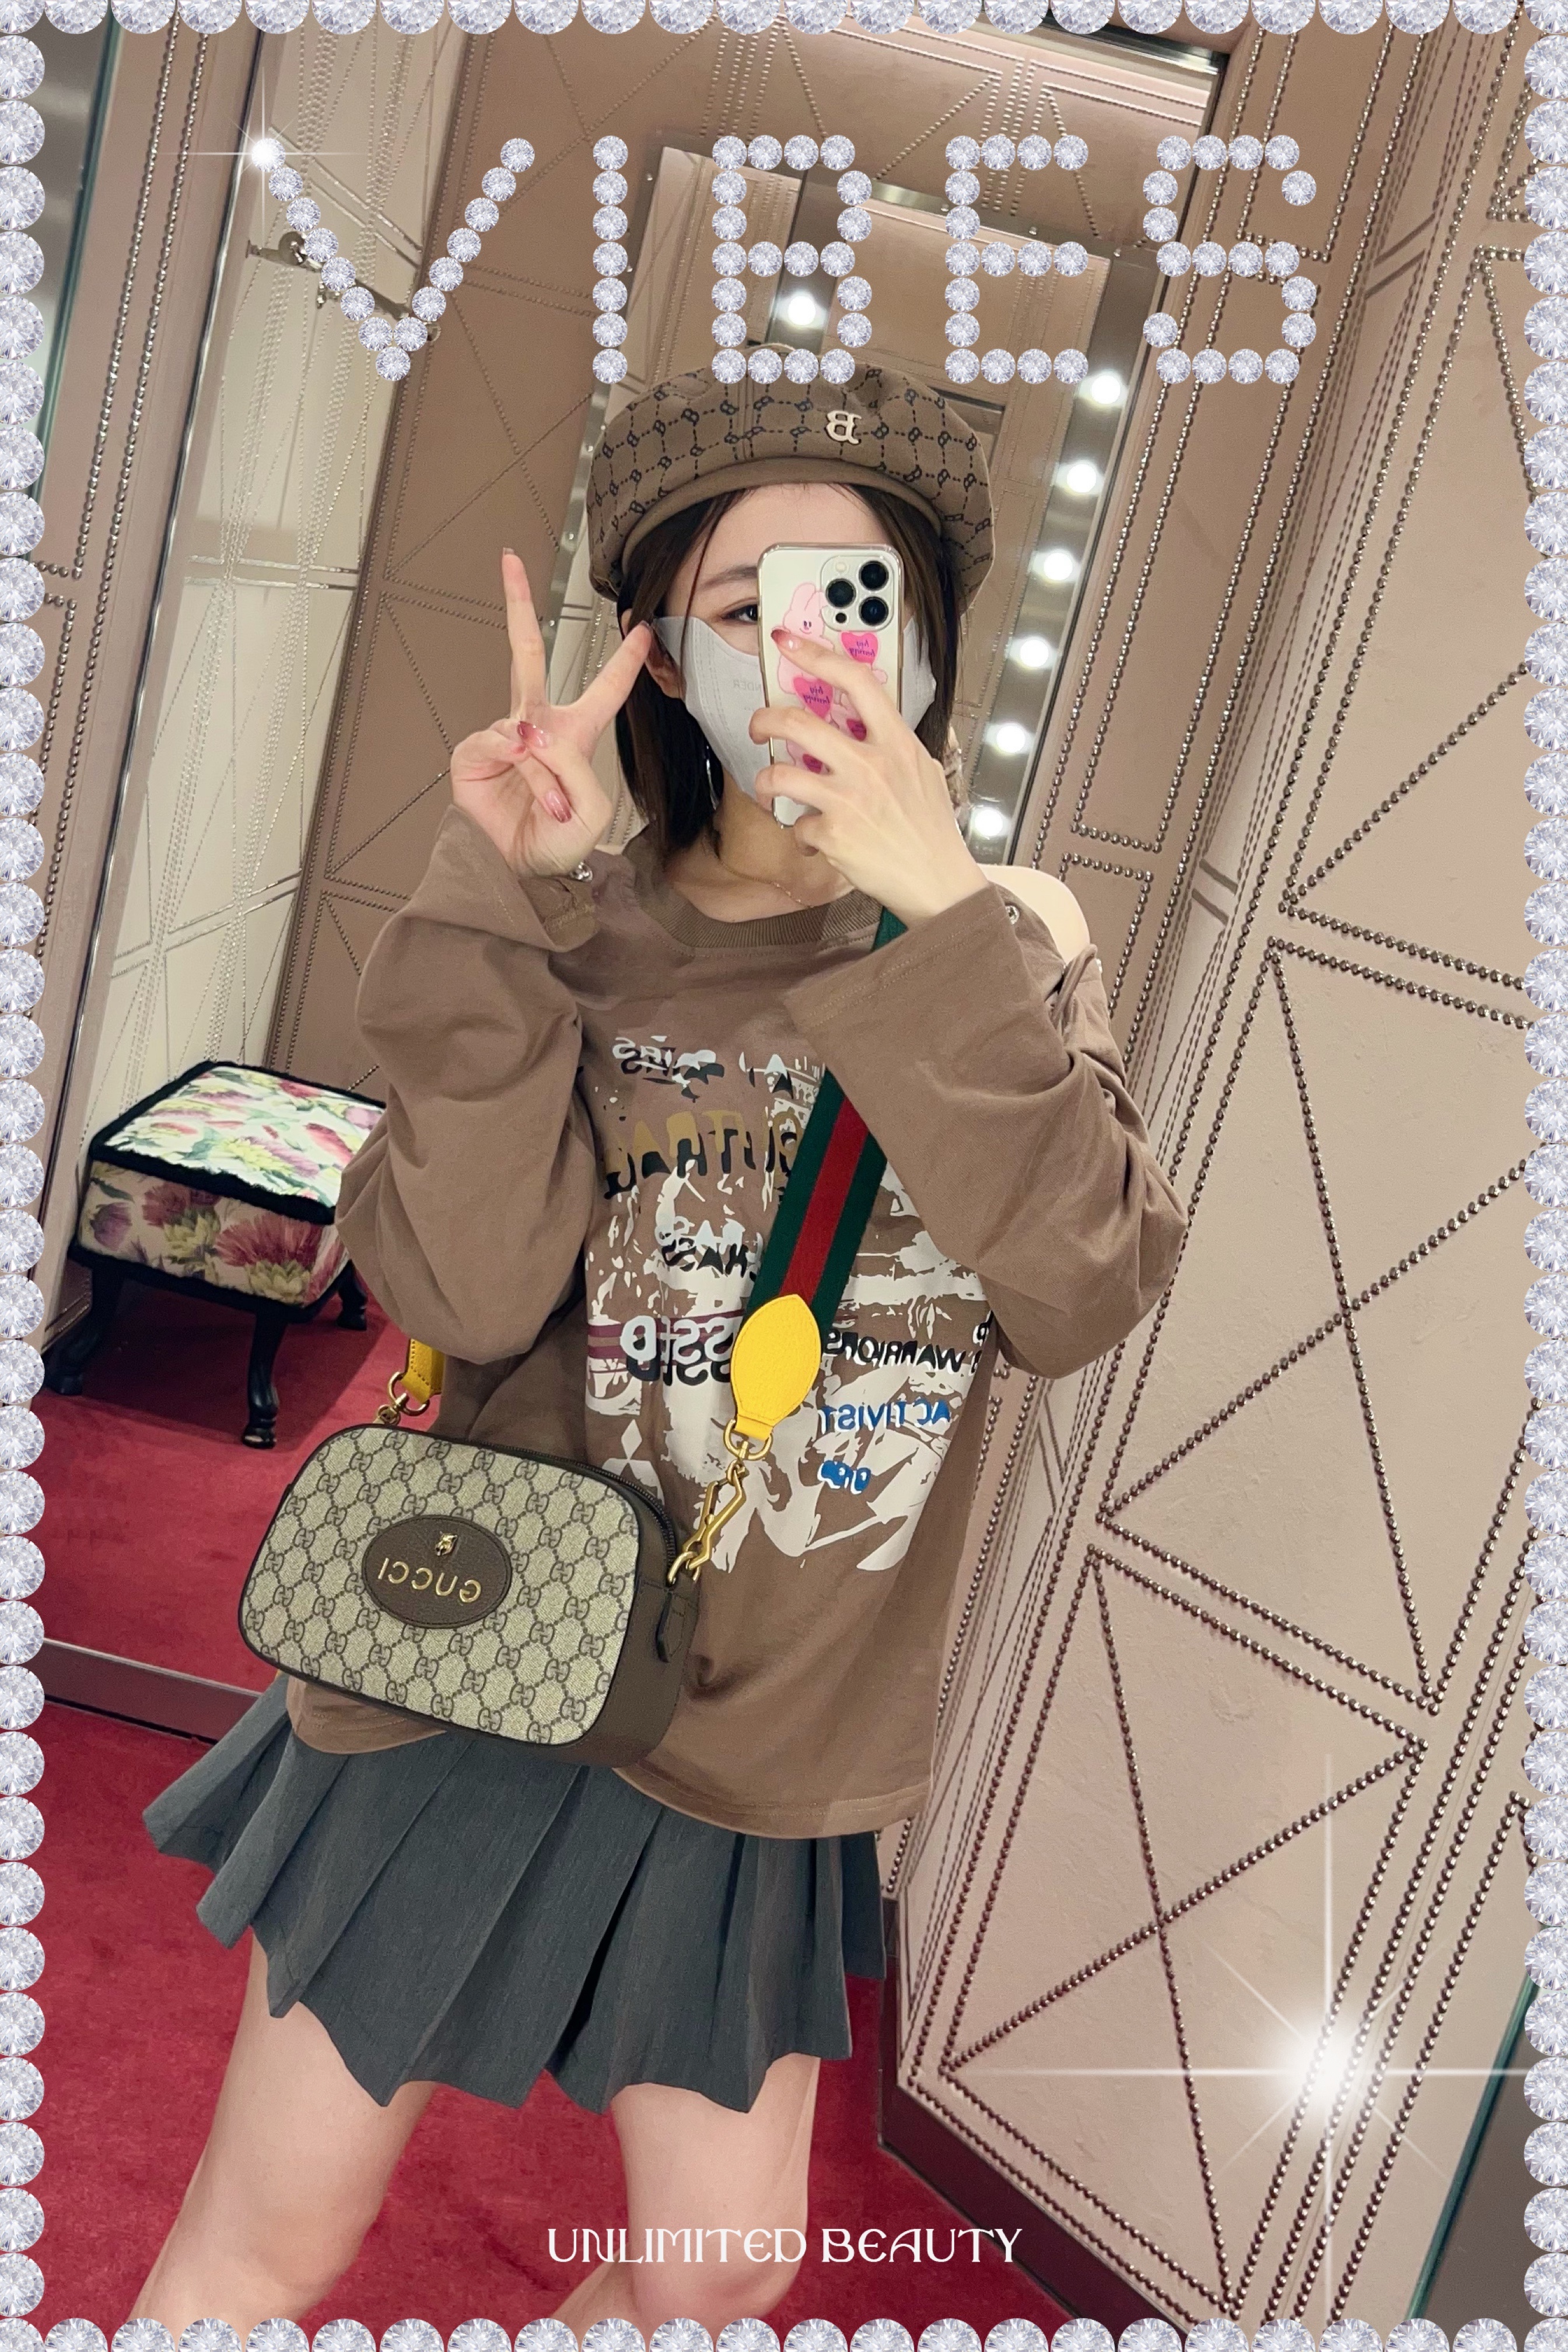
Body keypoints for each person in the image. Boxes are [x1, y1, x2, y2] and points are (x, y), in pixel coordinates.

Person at [134, 365, 1186, 2337]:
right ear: (663, 656)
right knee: (267, 2246)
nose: (803, 650)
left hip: (772, 1725)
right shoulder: (584, 922)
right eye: (740, 607)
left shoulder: (1008, 933)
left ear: (926, 638)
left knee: (719, 2273)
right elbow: (463, 1294)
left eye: (853, 598)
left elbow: (1082, 1289)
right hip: (488, 1652)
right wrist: (506, 898)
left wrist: (934, 907)